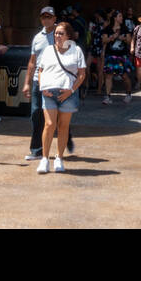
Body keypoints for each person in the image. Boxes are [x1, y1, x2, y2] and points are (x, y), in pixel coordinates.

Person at [22, 6, 74, 160]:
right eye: (44, 17)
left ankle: (61, 147)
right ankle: (37, 149)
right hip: (39, 81)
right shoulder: (37, 38)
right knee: (36, 114)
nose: (46, 19)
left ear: (54, 18)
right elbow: (32, 62)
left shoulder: (60, 35)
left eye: (49, 17)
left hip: (56, 81)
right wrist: (27, 82)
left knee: (58, 118)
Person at [35, 21, 85, 173]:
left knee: (63, 126)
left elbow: (82, 74)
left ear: (68, 36)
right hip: (49, 92)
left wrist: (71, 90)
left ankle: (59, 158)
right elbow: (41, 70)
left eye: (61, 33)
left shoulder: (76, 51)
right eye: (56, 33)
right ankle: (44, 159)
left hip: (67, 93)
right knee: (49, 124)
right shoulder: (48, 50)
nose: (57, 36)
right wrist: (42, 87)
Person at [101, 9, 133, 103]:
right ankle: (107, 97)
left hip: (122, 56)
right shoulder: (107, 28)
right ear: (115, 18)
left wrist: (123, 38)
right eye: (120, 16)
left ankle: (128, 94)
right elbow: (103, 41)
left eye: (122, 16)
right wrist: (112, 37)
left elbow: (129, 41)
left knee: (125, 76)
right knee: (108, 76)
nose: (122, 18)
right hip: (110, 55)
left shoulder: (124, 28)